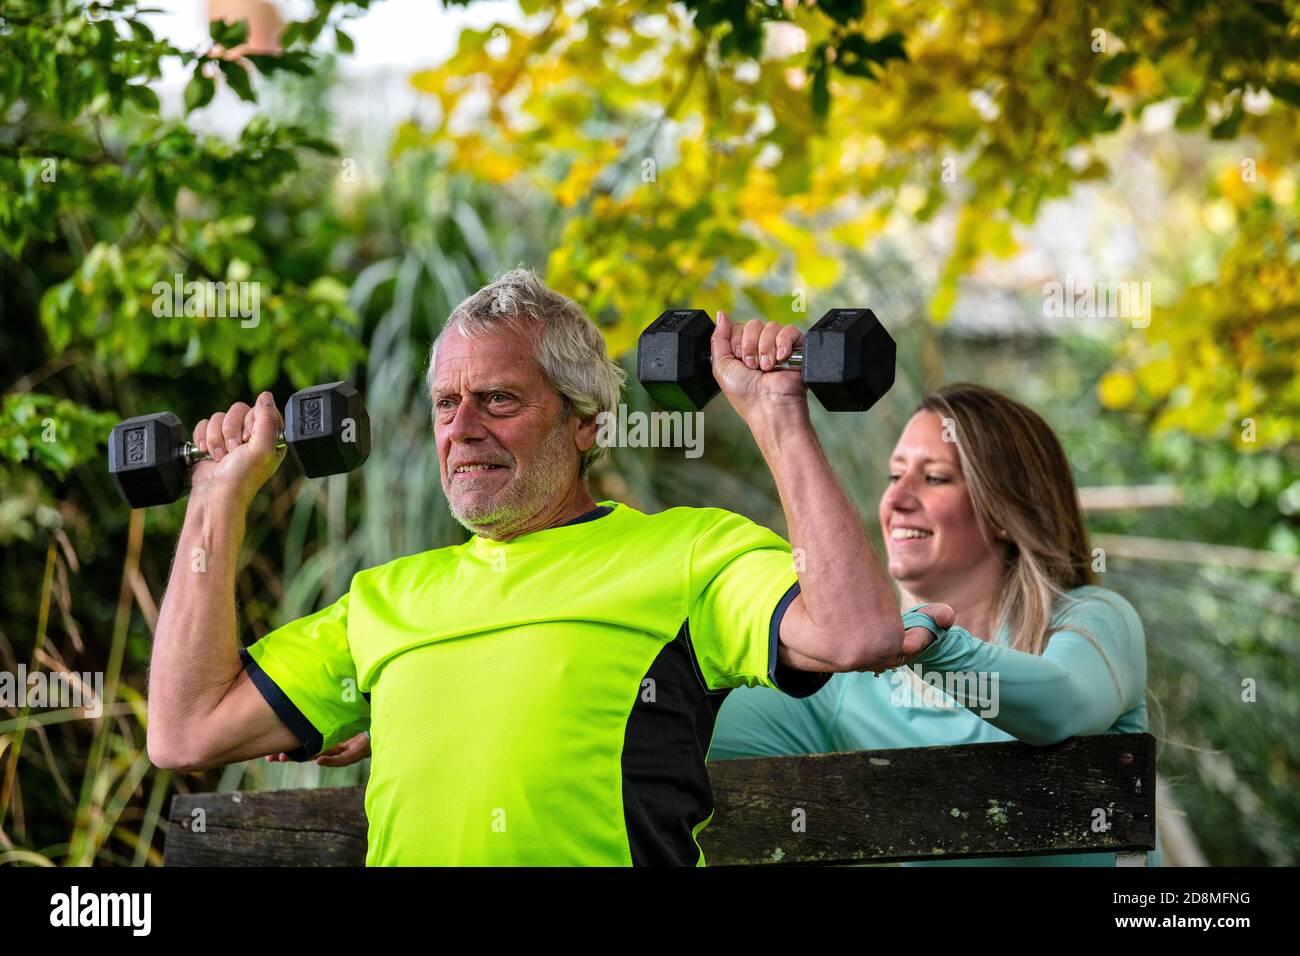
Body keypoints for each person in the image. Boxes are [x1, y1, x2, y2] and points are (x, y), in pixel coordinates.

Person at [146, 268, 947, 866]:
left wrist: (777, 414)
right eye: (445, 403)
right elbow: (185, 730)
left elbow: (856, 633)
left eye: (498, 400)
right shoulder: (383, 601)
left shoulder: (689, 553)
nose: (461, 428)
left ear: (586, 425)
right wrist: (216, 494)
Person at [707, 382, 1161, 865]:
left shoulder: (1094, 620)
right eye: (894, 475)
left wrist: (933, 647)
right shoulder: (839, 686)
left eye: (935, 478)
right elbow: (697, 747)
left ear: (1006, 510)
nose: (897, 499)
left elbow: (1061, 706)